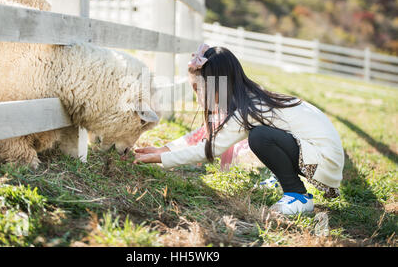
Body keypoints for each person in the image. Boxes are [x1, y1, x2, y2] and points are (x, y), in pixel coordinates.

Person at [133, 44, 344, 215]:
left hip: (323, 159)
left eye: (198, 88)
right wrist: (165, 150)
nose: (196, 96)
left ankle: (297, 195)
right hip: (318, 152)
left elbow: (209, 149)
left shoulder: (247, 110)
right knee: (264, 134)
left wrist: (161, 159)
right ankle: (283, 177)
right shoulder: (247, 99)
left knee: (260, 137)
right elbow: (204, 135)